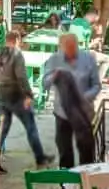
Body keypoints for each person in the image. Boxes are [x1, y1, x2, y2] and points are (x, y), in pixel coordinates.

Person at [0, 30, 50, 166]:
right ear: (16, 41)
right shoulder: (17, 54)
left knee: (2, 128)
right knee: (30, 125)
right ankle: (40, 157)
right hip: (16, 95)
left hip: (2, 94)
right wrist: (29, 94)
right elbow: (21, 77)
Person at [42, 33, 102, 168]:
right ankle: (66, 185)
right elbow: (44, 84)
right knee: (65, 152)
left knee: (86, 151)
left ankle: (86, 184)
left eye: (73, 48)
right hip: (62, 112)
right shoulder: (54, 60)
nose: (70, 51)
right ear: (61, 47)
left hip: (83, 112)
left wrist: (82, 98)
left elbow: (97, 86)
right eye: (67, 48)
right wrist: (53, 76)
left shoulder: (88, 59)